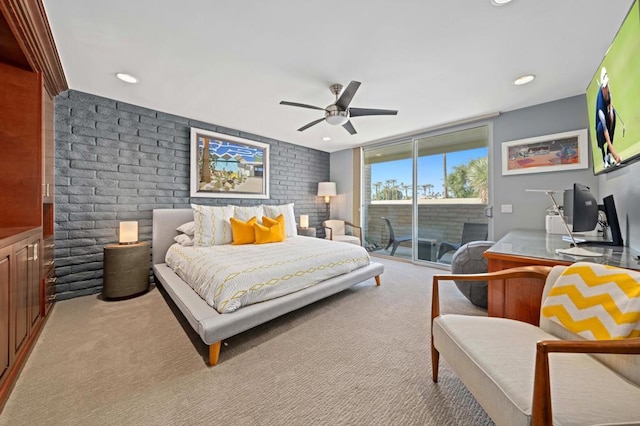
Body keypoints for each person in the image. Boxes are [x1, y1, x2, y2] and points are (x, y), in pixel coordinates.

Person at [595, 67, 620, 168]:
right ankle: (604, 157)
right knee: (602, 128)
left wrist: (611, 112)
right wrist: (615, 154)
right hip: (601, 126)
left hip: (607, 117)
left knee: (613, 115)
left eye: (607, 86)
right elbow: (605, 128)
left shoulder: (608, 90)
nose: (606, 88)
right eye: (604, 87)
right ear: (602, 88)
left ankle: (609, 156)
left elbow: (611, 101)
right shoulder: (600, 109)